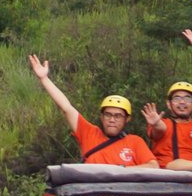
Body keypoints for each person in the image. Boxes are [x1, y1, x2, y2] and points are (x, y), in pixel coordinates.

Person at [28, 54, 160, 167]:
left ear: (127, 119)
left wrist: (121, 170)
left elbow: (153, 166)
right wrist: (44, 79)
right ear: (102, 117)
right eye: (108, 115)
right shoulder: (89, 133)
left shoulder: (135, 142)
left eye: (118, 116)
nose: (112, 120)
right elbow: (66, 108)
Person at [143, 82, 192, 171]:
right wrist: (156, 124)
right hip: (164, 176)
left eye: (187, 98)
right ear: (169, 104)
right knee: (172, 165)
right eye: (176, 98)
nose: (182, 102)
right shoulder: (162, 122)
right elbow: (160, 129)